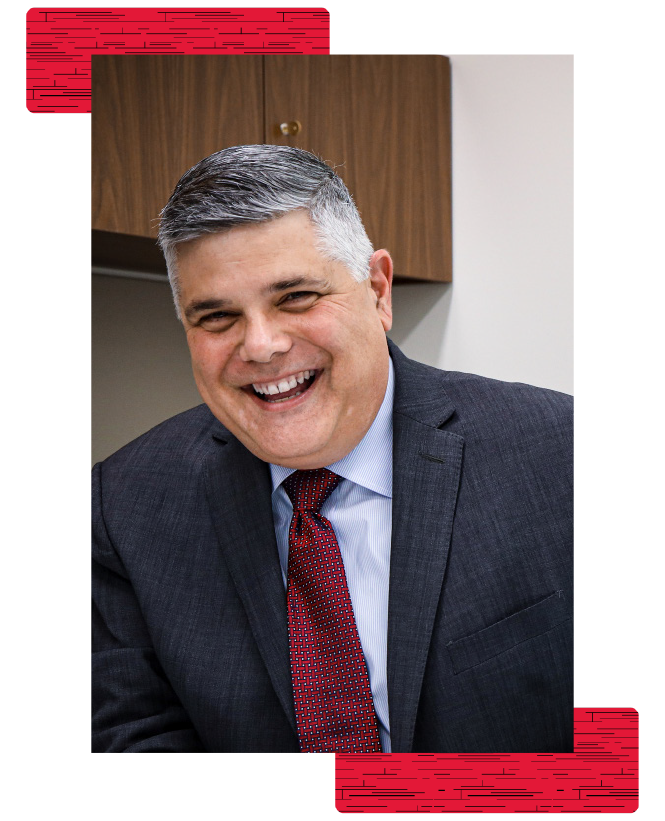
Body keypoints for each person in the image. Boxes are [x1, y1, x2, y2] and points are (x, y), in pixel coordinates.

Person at [91, 144, 573, 754]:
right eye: (216, 317)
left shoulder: (558, 453)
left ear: (378, 290)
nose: (261, 346)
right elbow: (131, 736)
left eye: (295, 297)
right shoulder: (123, 505)